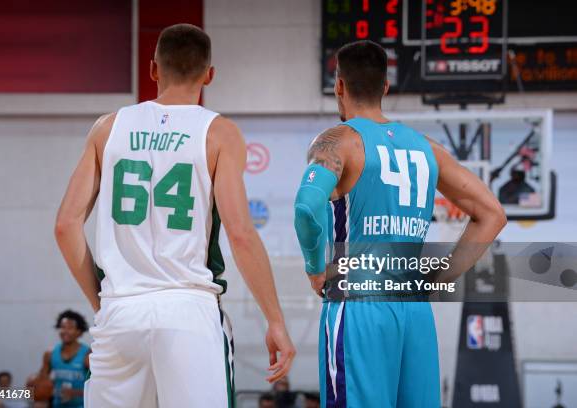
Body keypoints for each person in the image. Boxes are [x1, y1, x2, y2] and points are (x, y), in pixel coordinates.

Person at [55, 23, 295, 407]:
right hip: (189, 311)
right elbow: (240, 234)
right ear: (209, 75)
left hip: (121, 312)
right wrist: (276, 321)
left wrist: (106, 303)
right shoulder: (219, 132)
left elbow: (66, 226)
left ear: (153, 69)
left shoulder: (107, 128)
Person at [293, 40, 506, 407]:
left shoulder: (337, 142)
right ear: (385, 87)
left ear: (339, 86)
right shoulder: (426, 147)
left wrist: (315, 269)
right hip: (414, 308)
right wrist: (439, 279)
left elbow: (306, 209)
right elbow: (492, 215)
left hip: (359, 304)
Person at [35, 310, 90, 408]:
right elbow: (42, 381)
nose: (65, 331)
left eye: (70, 328)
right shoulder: (50, 353)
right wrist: (35, 382)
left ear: (79, 332)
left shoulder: (87, 354)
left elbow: (99, 387)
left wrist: (75, 393)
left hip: (81, 405)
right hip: (57, 405)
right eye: (63, 327)